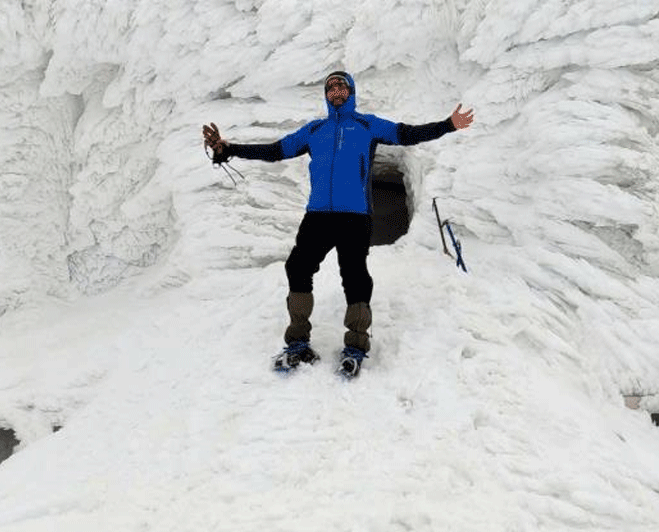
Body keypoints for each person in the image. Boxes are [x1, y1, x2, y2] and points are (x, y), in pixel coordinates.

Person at [202, 71, 474, 376]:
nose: (336, 91)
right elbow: (276, 150)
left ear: (351, 91)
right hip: (317, 214)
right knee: (297, 268)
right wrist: (230, 149)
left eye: (341, 85)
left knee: (355, 277)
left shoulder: (367, 125)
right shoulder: (314, 130)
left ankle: (356, 346)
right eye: (330, 87)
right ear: (326, 95)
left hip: (355, 216)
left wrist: (448, 125)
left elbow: (407, 133)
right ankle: (298, 343)